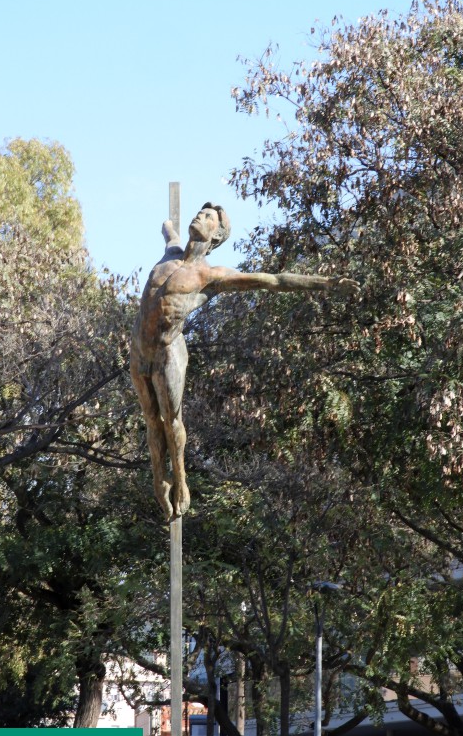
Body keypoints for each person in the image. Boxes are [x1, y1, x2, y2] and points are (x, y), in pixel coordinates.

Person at [130, 203, 360, 519]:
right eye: (200, 212)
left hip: (167, 351)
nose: (199, 217)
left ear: (216, 236)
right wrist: (166, 223)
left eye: (208, 217)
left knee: (171, 421)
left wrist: (326, 284)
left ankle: (181, 479)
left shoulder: (210, 275)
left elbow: (273, 281)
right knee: (151, 420)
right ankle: (160, 479)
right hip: (139, 352)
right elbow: (168, 230)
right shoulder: (170, 254)